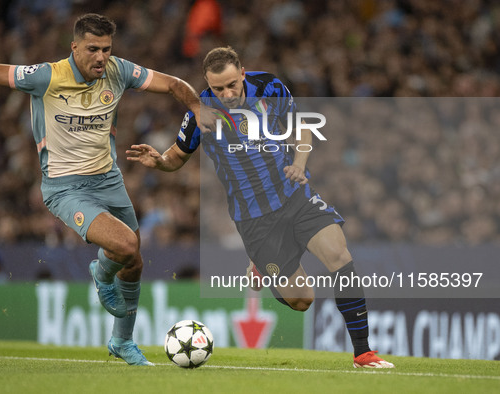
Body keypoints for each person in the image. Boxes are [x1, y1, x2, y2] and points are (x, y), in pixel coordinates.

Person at [0, 13, 214, 366]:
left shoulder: (119, 71)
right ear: (74, 47)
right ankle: (101, 272)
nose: (101, 57)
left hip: (109, 179)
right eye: (92, 49)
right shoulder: (47, 76)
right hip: (65, 188)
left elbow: (172, 83)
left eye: (106, 49)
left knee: (134, 261)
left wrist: (197, 107)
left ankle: (122, 342)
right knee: (124, 245)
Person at [126, 46, 395, 368]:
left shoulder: (269, 87)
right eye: (217, 88)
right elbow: (177, 157)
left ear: (242, 73)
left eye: (231, 85)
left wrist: (299, 162)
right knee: (302, 300)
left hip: (294, 193)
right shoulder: (200, 113)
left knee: (339, 255)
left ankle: (363, 353)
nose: (226, 93)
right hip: (255, 218)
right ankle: (262, 268)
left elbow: (301, 125)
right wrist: (159, 161)